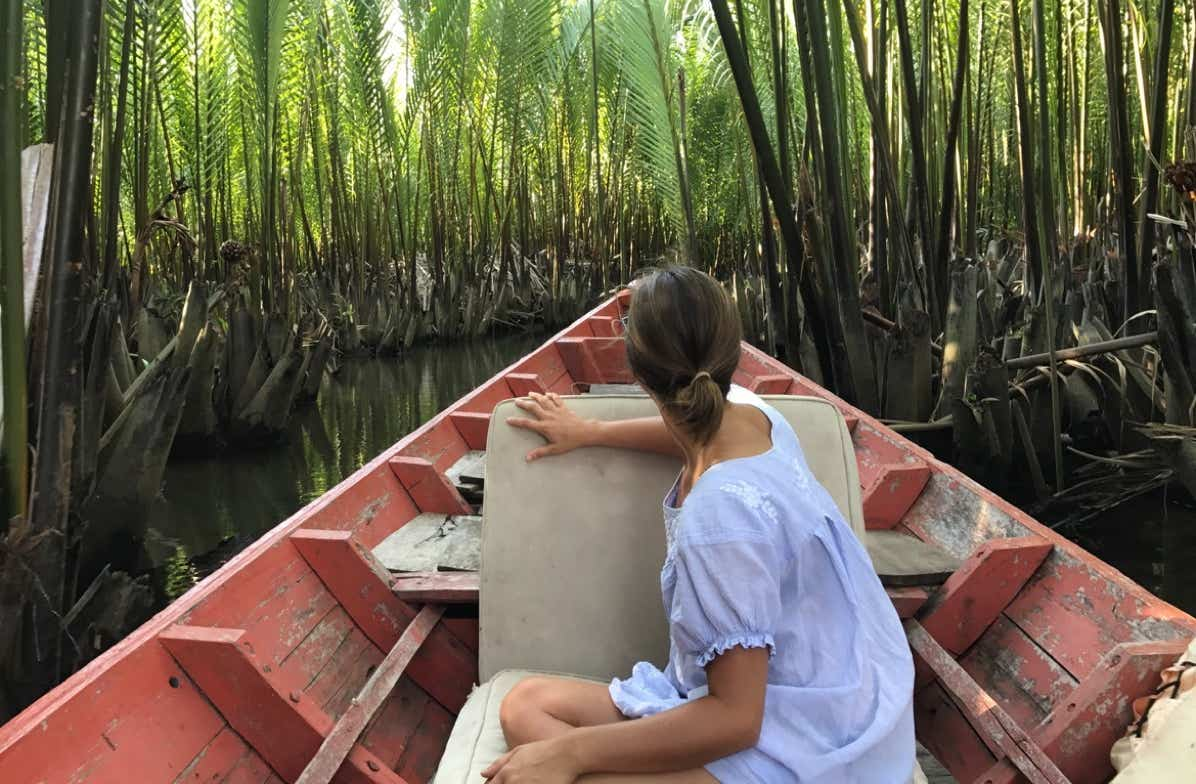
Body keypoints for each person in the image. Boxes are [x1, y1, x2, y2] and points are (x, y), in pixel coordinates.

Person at [482, 267, 915, 783]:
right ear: (730, 356)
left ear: (638, 375)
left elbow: (736, 720)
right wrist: (591, 431)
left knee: (566, 766)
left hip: (807, 742)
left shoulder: (721, 519)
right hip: (833, 694)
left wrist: (573, 754)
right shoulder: (757, 417)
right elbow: (686, 431)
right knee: (524, 705)